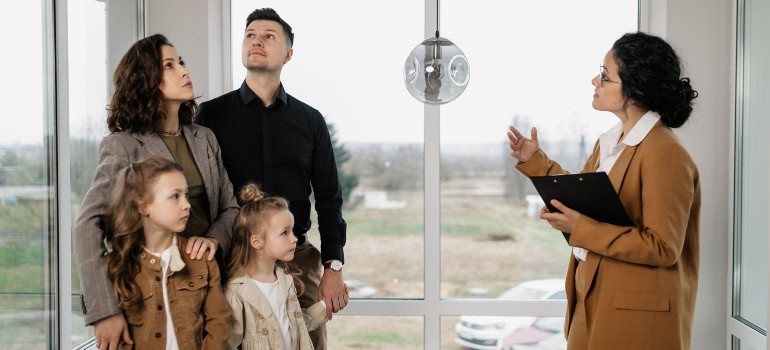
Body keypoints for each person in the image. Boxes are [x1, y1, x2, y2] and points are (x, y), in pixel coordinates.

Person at [507, 32, 700, 349]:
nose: (594, 80)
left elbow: (663, 246)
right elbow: (587, 198)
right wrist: (535, 163)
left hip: (636, 316)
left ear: (635, 89)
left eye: (605, 76)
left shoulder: (665, 152)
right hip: (592, 296)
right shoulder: (609, 143)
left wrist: (580, 228)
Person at [74, 34, 240, 349]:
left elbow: (230, 209)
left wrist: (214, 239)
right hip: (150, 293)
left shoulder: (204, 138)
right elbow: (87, 224)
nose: (184, 71)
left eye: (182, 62)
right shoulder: (122, 145)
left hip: (210, 282)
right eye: (169, 65)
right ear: (146, 80)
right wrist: (104, 310)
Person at [194, 8, 348, 348]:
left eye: (268, 36)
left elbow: (329, 198)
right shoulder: (210, 116)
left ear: (288, 54)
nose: (256, 42)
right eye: (250, 35)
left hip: (298, 261)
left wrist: (333, 267)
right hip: (230, 260)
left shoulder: (310, 121)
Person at [105, 156, 230, 349]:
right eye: (175, 196)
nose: (187, 204)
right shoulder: (119, 265)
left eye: (186, 195)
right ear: (143, 205)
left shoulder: (201, 258)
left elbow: (219, 321)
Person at [225, 183, 347, 349]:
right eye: (285, 233)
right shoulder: (237, 291)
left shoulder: (286, 281)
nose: (294, 238)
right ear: (256, 241)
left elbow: (296, 324)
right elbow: (229, 342)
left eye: (293, 231)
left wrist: (325, 307)